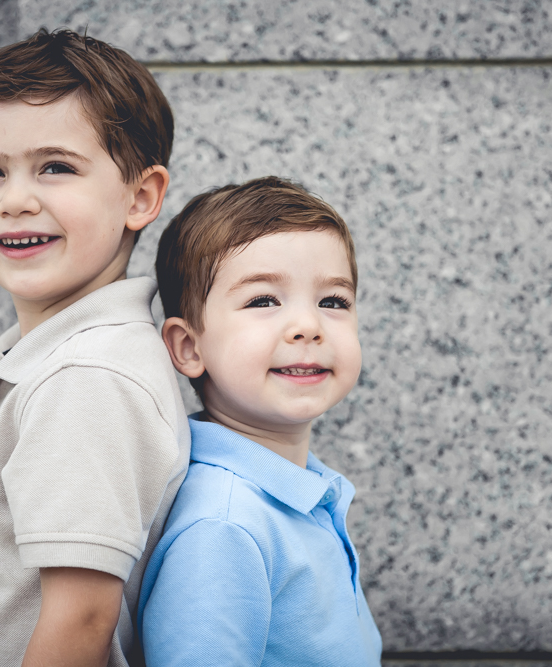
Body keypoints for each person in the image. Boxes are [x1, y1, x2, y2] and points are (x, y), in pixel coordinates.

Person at [0, 29, 189, 667]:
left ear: (140, 197)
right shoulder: (59, 359)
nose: (16, 200)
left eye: (56, 167)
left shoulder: (84, 376)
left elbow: (81, 621)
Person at [139, 176, 383, 666]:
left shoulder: (294, 492)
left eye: (333, 302)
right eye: (263, 301)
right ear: (189, 347)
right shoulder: (225, 527)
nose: (308, 326)